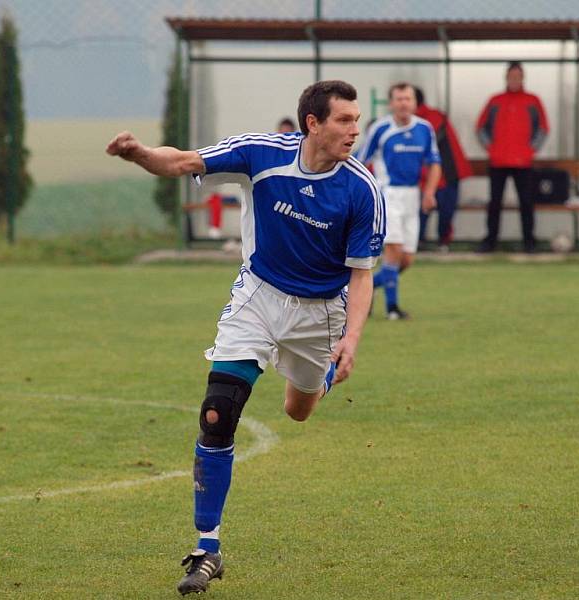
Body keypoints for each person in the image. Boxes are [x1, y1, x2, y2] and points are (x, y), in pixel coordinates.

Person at [106, 80, 385, 596]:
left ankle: (313, 378)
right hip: (257, 297)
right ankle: (206, 549)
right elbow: (183, 161)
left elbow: (362, 274)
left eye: (357, 119)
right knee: (218, 411)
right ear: (313, 123)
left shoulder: (361, 189)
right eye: (344, 120)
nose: (355, 129)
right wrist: (141, 154)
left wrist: (352, 337)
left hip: (320, 315)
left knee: (297, 411)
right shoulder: (260, 154)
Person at [357, 82, 441, 320]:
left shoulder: (424, 129)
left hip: (412, 196)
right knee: (392, 250)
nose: (404, 103)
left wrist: (429, 192)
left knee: (407, 259)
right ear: (391, 103)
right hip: (387, 194)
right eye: (399, 99)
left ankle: (366, 288)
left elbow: (435, 163)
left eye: (408, 99)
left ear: (415, 103)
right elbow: (361, 161)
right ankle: (393, 310)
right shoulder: (381, 129)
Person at [475, 61, 549, 253]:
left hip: (523, 162)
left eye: (518, 76)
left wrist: (530, 150)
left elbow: (543, 128)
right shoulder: (495, 101)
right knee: (494, 203)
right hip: (498, 161)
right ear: (506, 78)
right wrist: (491, 148)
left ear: (522, 78)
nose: (514, 80)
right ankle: (490, 241)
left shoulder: (533, 101)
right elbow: (480, 127)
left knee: (526, 202)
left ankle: (529, 241)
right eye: (511, 76)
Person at [414, 87, 473, 251]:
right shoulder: (411, 121)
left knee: (445, 212)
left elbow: (426, 143)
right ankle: (419, 242)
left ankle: (443, 243)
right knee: (421, 212)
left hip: (447, 173)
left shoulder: (433, 117)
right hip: (426, 175)